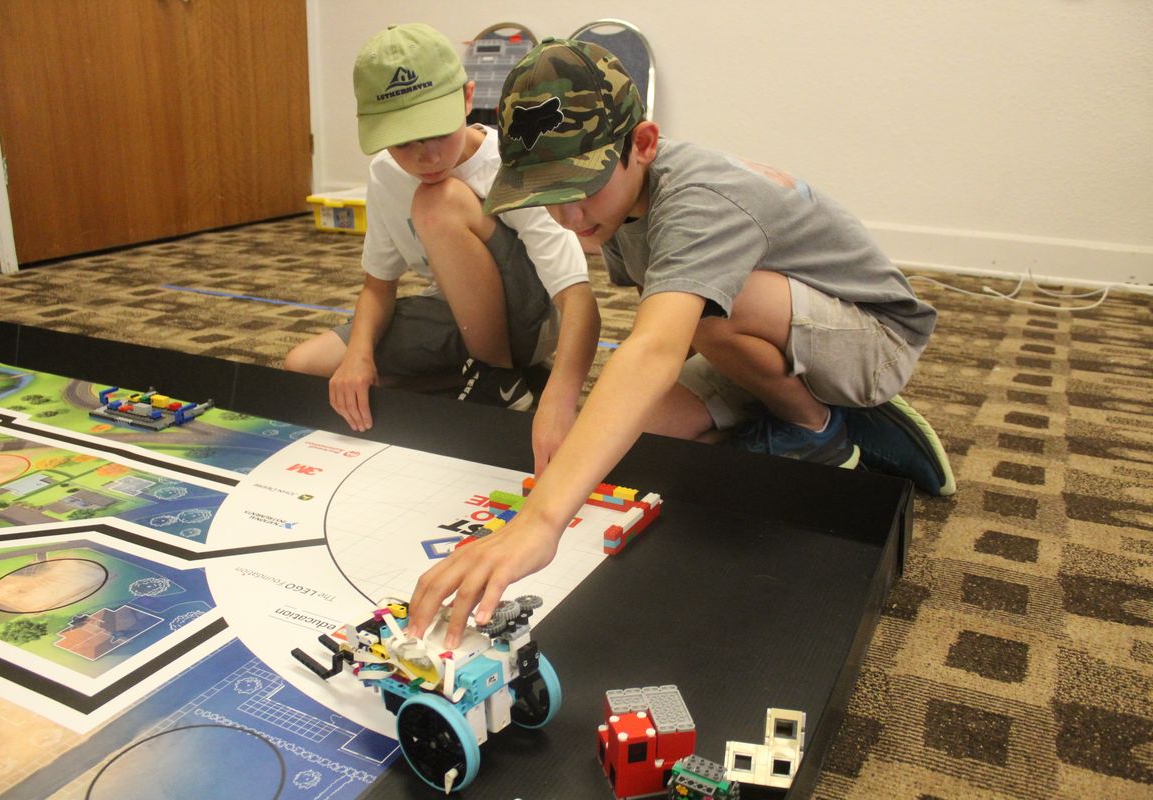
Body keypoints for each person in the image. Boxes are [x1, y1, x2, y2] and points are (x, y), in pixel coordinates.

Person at [407, 38, 955, 647]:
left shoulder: (697, 202)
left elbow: (654, 347)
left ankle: (821, 427)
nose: (569, 217)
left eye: (582, 187)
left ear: (642, 144)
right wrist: (587, 408)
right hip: (761, 332)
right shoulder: (616, 203)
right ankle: (774, 407)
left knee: (699, 311)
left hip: (871, 340)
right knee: (642, 441)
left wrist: (540, 522)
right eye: (550, 195)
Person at [284, 24, 599, 474]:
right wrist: (358, 356)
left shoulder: (513, 162)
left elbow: (578, 298)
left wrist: (561, 398)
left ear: (468, 99)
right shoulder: (385, 175)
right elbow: (378, 286)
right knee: (307, 369)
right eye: (404, 142)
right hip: (456, 310)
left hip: (531, 319)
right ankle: (490, 382)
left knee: (438, 201)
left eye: (436, 133)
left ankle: (501, 377)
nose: (425, 156)